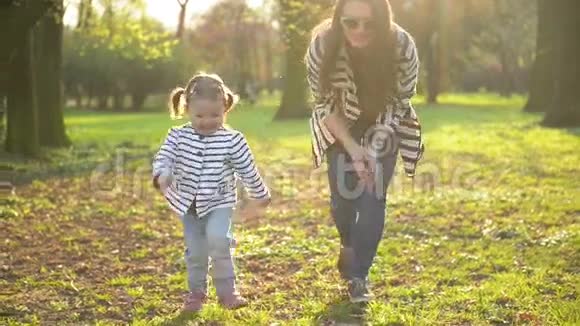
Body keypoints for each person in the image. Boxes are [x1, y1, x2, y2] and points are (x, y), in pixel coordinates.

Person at [305, 0, 424, 303]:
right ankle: (347, 243)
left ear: (383, 20)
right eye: (351, 22)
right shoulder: (322, 47)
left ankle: (359, 276)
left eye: (369, 24)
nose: (360, 30)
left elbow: (400, 101)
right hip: (341, 123)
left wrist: (371, 149)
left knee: (372, 197)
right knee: (342, 197)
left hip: (385, 123)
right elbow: (324, 104)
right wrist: (354, 148)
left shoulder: (402, 47)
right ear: (339, 20)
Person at [152, 73, 271, 312]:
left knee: (219, 240)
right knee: (195, 252)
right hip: (187, 204)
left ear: (225, 109)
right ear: (187, 109)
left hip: (219, 203)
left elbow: (248, 169)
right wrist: (162, 175)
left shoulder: (232, 140)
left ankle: (228, 292)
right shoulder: (178, 136)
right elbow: (164, 157)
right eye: (200, 116)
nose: (207, 121)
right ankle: (196, 293)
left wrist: (260, 194)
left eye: (215, 115)